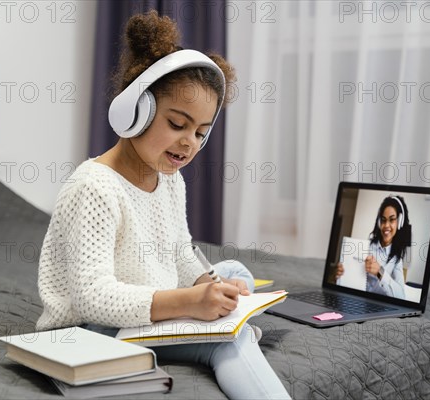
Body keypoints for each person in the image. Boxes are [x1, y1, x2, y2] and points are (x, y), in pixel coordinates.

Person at [35, 10, 290, 400]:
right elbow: (92, 297)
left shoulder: (170, 180)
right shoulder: (95, 186)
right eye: (177, 124)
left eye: (201, 132)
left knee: (232, 272)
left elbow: (180, 254)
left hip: (148, 308)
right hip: (91, 329)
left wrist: (207, 285)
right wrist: (189, 301)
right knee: (229, 341)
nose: (189, 142)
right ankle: (229, 340)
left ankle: (223, 324)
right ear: (136, 110)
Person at [336, 195, 411, 299]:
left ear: (400, 222)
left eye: (392, 220)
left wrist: (380, 272)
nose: (386, 225)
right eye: (383, 220)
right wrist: (341, 273)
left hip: (374, 307)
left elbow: (401, 295)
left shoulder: (396, 260)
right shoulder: (366, 246)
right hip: (353, 299)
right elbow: (348, 278)